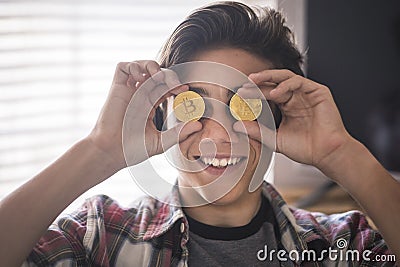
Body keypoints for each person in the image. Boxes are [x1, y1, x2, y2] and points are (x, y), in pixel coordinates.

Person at [0, 2, 399, 266]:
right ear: (163, 115)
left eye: (244, 106)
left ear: (278, 119)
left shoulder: (338, 246)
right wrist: (101, 150)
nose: (218, 134)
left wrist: (340, 153)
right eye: (196, 104)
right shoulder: (100, 236)